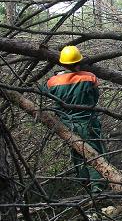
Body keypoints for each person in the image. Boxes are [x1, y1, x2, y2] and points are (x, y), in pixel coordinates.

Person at [46, 45, 107, 194]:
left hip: (66, 125)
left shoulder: (52, 81)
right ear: (79, 61)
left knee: (78, 156)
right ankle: (98, 191)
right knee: (95, 155)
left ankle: (86, 189)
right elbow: (94, 98)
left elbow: (48, 96)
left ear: (62, 63)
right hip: (88, 122)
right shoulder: (89, 77)